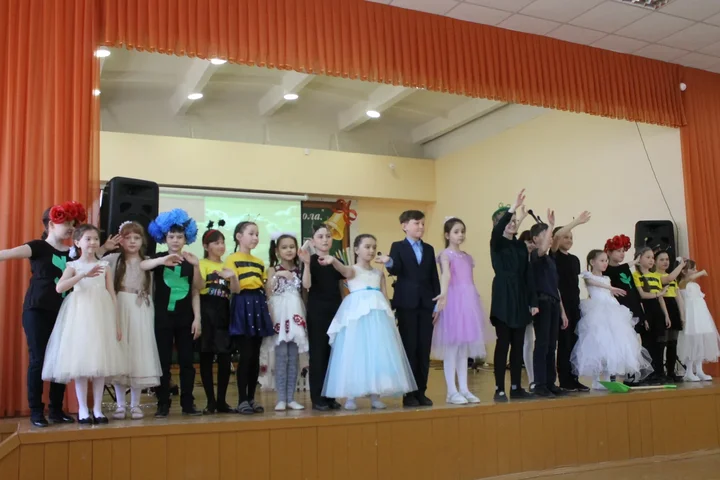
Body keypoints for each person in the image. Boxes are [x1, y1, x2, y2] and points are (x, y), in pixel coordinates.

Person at [0, 201, 88, 427]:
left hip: (65, 311)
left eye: (74, 224)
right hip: (37, 310)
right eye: (66, 223)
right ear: (51, 224)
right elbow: (7, 254)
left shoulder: (74, 253)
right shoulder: (38, 247)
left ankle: (56, 409)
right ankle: (36, 411)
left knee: (61, 359)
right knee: (38, 359)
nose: (71, 228)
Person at [42, 224, 125, 424]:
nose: (93, 242)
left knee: (100, 364)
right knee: (81, 364)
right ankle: (82, 409)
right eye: (88, 239)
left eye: (96, 239)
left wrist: (116, 323)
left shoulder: (104, 265)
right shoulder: (73, 265)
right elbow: (60, 287)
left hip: (101, 316)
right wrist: (83, 275)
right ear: (78, 242)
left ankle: (97, 409)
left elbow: (112, 294)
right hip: (80, 316)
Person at [322, 234, 416, 410]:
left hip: (378, 318)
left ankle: (375, 395)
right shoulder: (352, 270)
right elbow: (343, 270)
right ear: (356, 250)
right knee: (355, 353)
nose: (371, 250)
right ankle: (351, 396)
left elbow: (385, 296)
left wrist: (390, 317)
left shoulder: (379, 273)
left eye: (374, 247)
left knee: (377, 353)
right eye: (367, 247)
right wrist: (333, 260)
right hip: (357, 318)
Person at [376, 210, 441, 407]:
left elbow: (434, 277)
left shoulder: (429, 249)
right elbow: (395, 269)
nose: (420, 227)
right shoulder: (398, 246)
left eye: (422, 223)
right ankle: (409, 393)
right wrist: (389, 261)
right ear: (404, 226)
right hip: (407, 304)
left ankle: (421, 391)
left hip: (426, 304)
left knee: (424, 348)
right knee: (409, 348)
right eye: (416, 223)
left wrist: (437, 303)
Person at [142, 209, 203, 417]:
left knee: (187, 362)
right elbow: (143, 265)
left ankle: (188, 403)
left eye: (179, 237)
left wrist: (197, 318)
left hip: (185, 318)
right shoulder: (159, 258)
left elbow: (197, 289)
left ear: (186, 239)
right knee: (163, 361)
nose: (175, 240)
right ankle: (163, 403)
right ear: (164, 238)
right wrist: (161, 261)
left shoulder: (190, 260)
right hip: (163, 318)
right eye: (171, 236)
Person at [571, 250, 653, 389]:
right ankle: (596, 379)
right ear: (592, 262)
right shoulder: (588, 275)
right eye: (602, 260)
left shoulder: (607, 278)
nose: (605, 263)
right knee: (598, 343)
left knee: (614, 344)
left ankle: (609, 377)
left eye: (606, 261)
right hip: (597, 312)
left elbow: (609, 293)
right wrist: (610, 287)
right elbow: (593, 283)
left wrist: (613, 293)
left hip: (612, 309)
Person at [107, 221, 162, 420]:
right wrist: (105, 248)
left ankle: (135, 404)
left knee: (139, 353)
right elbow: (92, 261)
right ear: (121, 240)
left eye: (136, 238)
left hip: (141, 308)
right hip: (121, 306)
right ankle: (120, 405)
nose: (132, 241)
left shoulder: (147, 261)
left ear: (142, 241)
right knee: (121, 353)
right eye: (128, 237)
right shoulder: (113, 259)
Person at [488, 190, 537, 402]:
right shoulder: (496, 243)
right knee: (503, 342)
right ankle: (499, 387)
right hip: (503, 295)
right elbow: (499, 230)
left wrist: (532, 302)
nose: (512, 223)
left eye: (514, 221)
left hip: (519, 296)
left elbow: (528, 275)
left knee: (518, 344)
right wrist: (512, 208)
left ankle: (516, 386)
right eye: (508, 220)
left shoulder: (520, 246)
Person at [432, 217, 487, 405]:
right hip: (453, 302)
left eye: (462, 231)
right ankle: (451, 391)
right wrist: (443, 295)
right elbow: (446, 275)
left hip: (468, 303)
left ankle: (464, 388)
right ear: (447, 235)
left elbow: (470, 280)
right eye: (456, 231)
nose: (460, 235)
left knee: (464, 348)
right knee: (452, 348)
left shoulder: (467, 257)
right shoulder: (445, 255)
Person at [224, 221, 275, 415]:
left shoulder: (259, 262)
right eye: (251, 233)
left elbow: (264, 288)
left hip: (258, 303)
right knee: (245, 355)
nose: (255, 237)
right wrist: (233, 278)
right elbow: (234, 289)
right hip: (242, 303)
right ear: (239, 237)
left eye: (257, 234)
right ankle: (242, 400)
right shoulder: (232, 259)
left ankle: (252, 398)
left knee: (255, 356)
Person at [301, 224, 344, 411]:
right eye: (320, 236)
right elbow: (306, 285)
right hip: (317, 312)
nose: (325, 240)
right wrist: (306, 264)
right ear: (312, 241)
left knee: (333, 354)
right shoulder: (310, 260)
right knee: (318, 354)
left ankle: (330, 396)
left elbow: (341, 286)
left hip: (335, 311)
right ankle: (318, 398)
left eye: (328, 236)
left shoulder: (336, 261)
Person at [266, 232, 308, 411]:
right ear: (277, 250)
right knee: (281, 356)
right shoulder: (273, 269)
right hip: (280, 315)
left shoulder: (300, 269)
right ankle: (281, 399)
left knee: (294, 357)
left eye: (292, 247)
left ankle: (291, 398)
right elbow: (269, 291)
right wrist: (278, 275)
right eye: (284, 247)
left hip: (296, 313)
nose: (289, 250)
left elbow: (304, 293)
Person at [528, 211, 568, 398]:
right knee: (542, 343)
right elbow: (543, 248)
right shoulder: (535, 255)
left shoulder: (551, 259)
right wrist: (551, 225)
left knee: (552, 345)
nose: (549, 238)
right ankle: (540, 383)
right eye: (545, 236)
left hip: (553, 303)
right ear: (535, 239)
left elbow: (556, 288)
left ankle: (551, 382)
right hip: (542, 302)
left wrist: (562, 312)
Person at [197, 221, 236, 414]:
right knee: (206, 356)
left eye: (222, 242)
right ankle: (210, 401)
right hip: (206, 309)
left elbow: (234, 291)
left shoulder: (228, 265)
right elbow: (198, 287)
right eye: (216, 243)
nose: (221, 246)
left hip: (223, 312)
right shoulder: (201, 263)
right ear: (206, 246)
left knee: (224, 357)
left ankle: (221, 401)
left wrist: (232, 276)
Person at [550, 212, 591, 392]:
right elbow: (557, 236)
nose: (569, 240)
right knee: (564, 343)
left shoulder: (574, 259)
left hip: (575, 304)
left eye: (571, 237)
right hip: (561, 305)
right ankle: (564, 379)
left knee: (575, 343)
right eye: (566, 237)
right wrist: (576, 222)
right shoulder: (553, 256)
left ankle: (574, 378)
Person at [603, 235, 648, 385]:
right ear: (608, 252)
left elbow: (633, 290)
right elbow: (615, 272)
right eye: (618, 251)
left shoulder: (625, 270)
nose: (622, 254)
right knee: (617, 343)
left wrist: (640, 312)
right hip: (618, 311)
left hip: (632, 308)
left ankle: (631, 372)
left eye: (623, 251)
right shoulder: (607, 270)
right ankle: (613, 374)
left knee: (632, 342)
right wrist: (633, 262)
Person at [633, 247, 672, 383]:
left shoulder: (656, 276)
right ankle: (648, 373)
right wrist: (659, 293)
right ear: (639, 259)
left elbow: (661, 298)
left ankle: (660, 372)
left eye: (652, 258)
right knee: (648, 343)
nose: (651, 260)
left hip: (657, 310)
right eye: (648, 257)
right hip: (646, 310)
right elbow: (642, 295)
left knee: (660, 343)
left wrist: (666, 314)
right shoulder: (636, 276)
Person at [678, 259, 720, 381]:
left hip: (700, 315)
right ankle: (689, 371)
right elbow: (689, 279)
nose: (696, 271)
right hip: (690, 316)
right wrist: (702, 272)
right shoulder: (682, 283)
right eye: (693, 269)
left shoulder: (695, 285)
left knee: (700, 341)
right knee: (691, 342)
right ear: (684, 271)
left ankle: (699, 369)